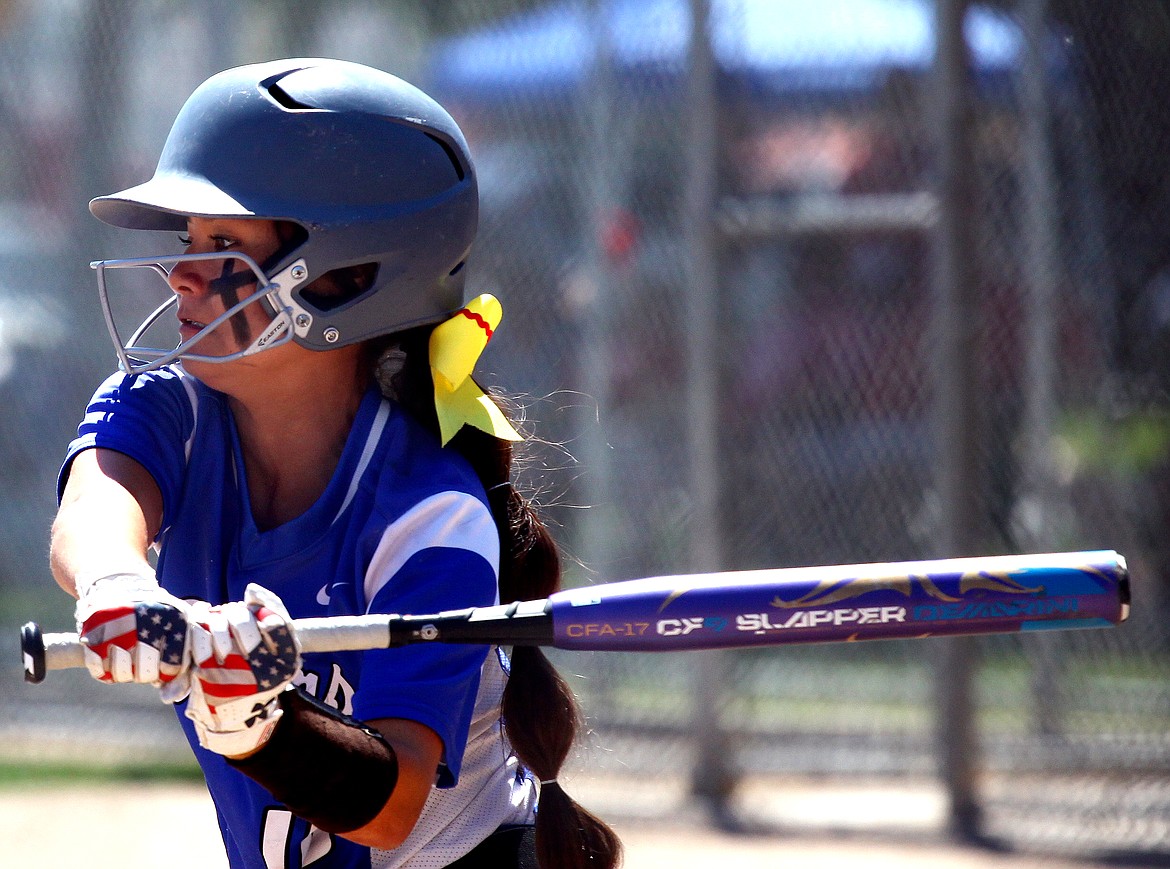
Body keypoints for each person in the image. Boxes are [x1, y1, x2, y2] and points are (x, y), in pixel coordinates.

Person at [48, 57, 622, 869]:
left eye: (221, 243)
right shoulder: (171, 409)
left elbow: (387, 810)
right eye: (190, 239)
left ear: (345, 281)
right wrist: (118, 583)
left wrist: (255, 718)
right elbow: (98, 507)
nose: (180, 270)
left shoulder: (430, 513)